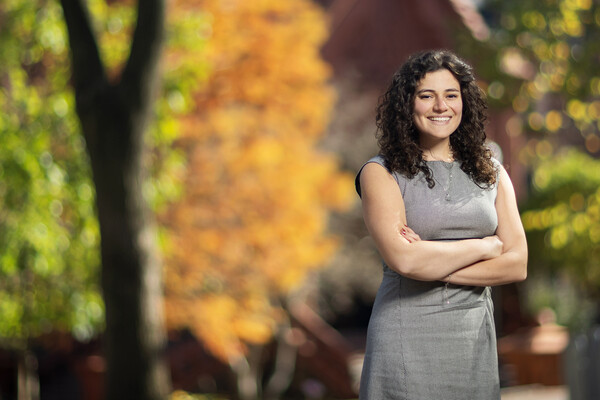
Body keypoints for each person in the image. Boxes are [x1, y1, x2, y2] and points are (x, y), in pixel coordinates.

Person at [355, 50, 528, 399]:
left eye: (451, 95)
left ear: (464, 102)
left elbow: (517, 263)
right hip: (405, 335)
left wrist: (431, 262)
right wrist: (485, 246)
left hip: (473, 338)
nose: (441, 106)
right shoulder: (381, 172)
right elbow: (405, 261)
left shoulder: (491, 171)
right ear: (407, 104)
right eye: (426, 96)